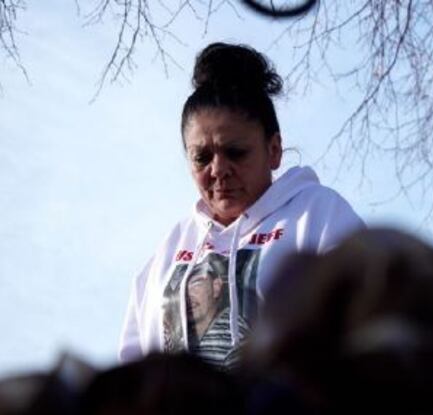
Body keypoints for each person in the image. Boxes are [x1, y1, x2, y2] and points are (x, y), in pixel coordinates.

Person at [118, 42, 365, 370]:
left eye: (235, 152)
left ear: (274, 150)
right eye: (202, 157)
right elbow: (132, 372)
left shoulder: (319, 216)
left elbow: (369, 324)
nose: (218, 169)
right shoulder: (166, 255)